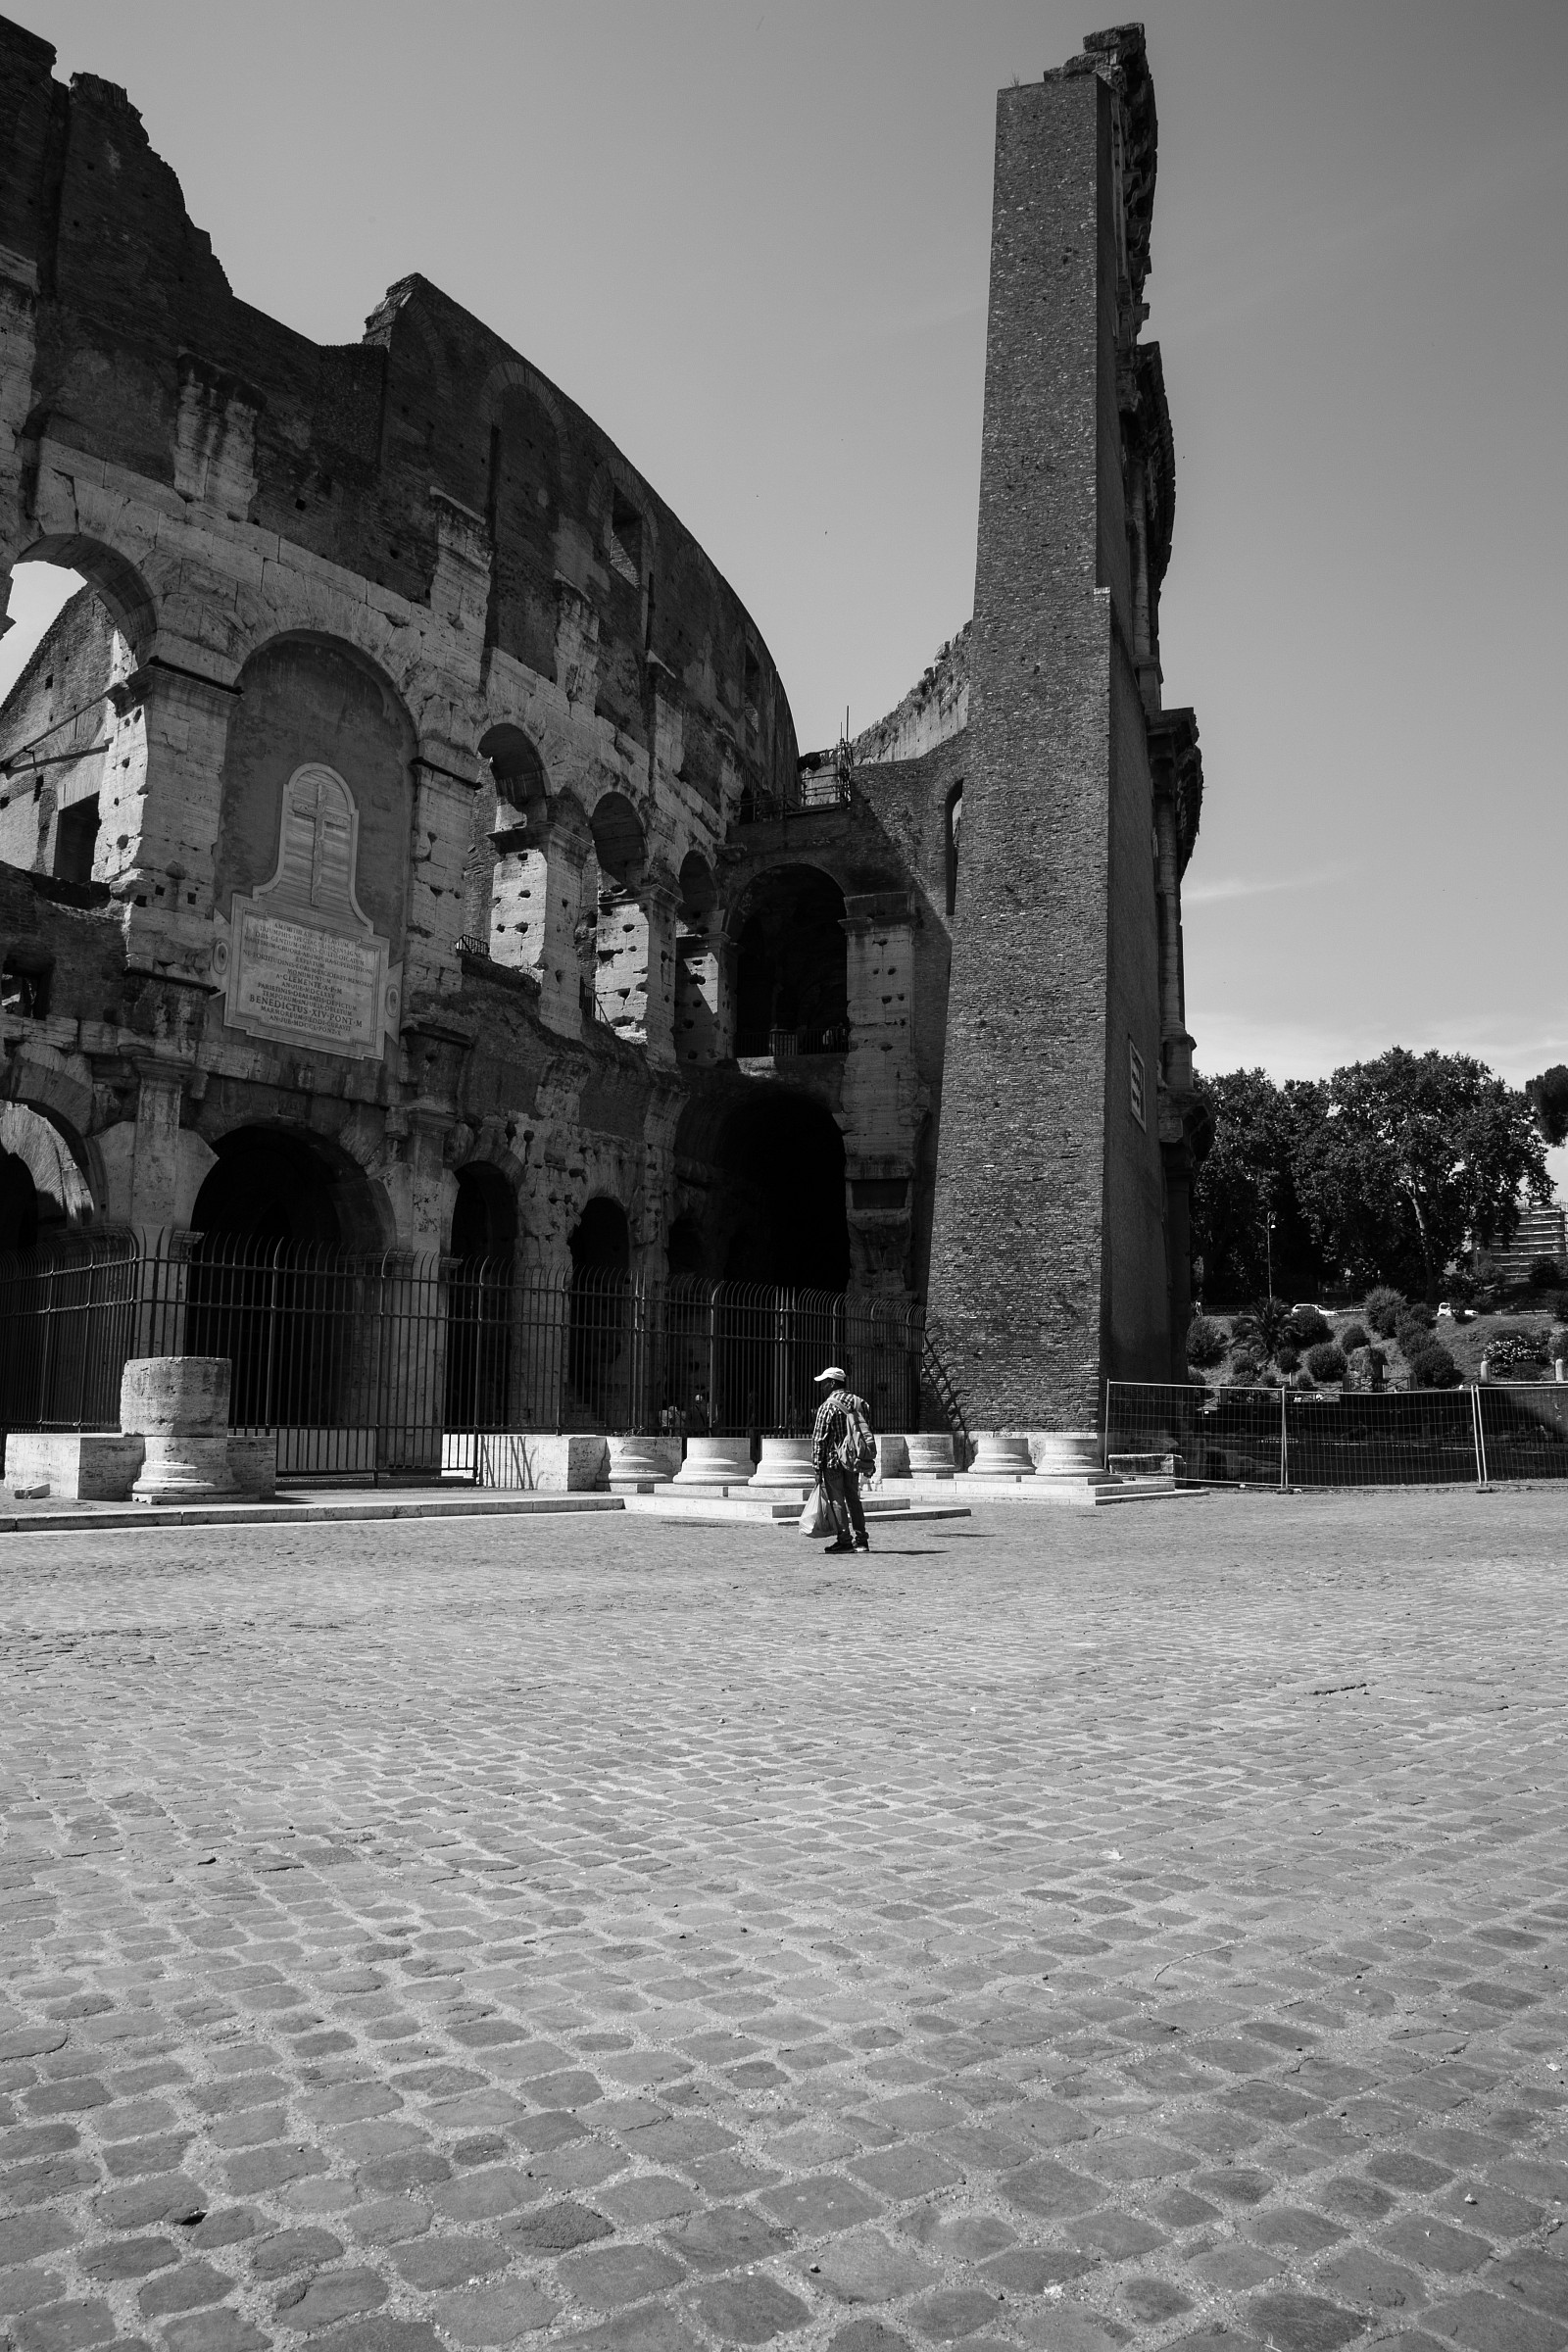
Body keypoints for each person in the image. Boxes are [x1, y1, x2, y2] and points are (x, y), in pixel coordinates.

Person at [810, 1364, 875, 1554]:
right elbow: (867, 1433)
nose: (821, 1387)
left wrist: (817, 1467)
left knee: (837, 1500)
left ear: (832, 1383)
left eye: (823, 1383)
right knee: (854, 1498)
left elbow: (819, 1439)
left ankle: (844, 1540)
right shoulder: (861, 1403)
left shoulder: (828, 1406)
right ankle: (862, 1540)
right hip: (854, 1460)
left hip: (833, 1461)